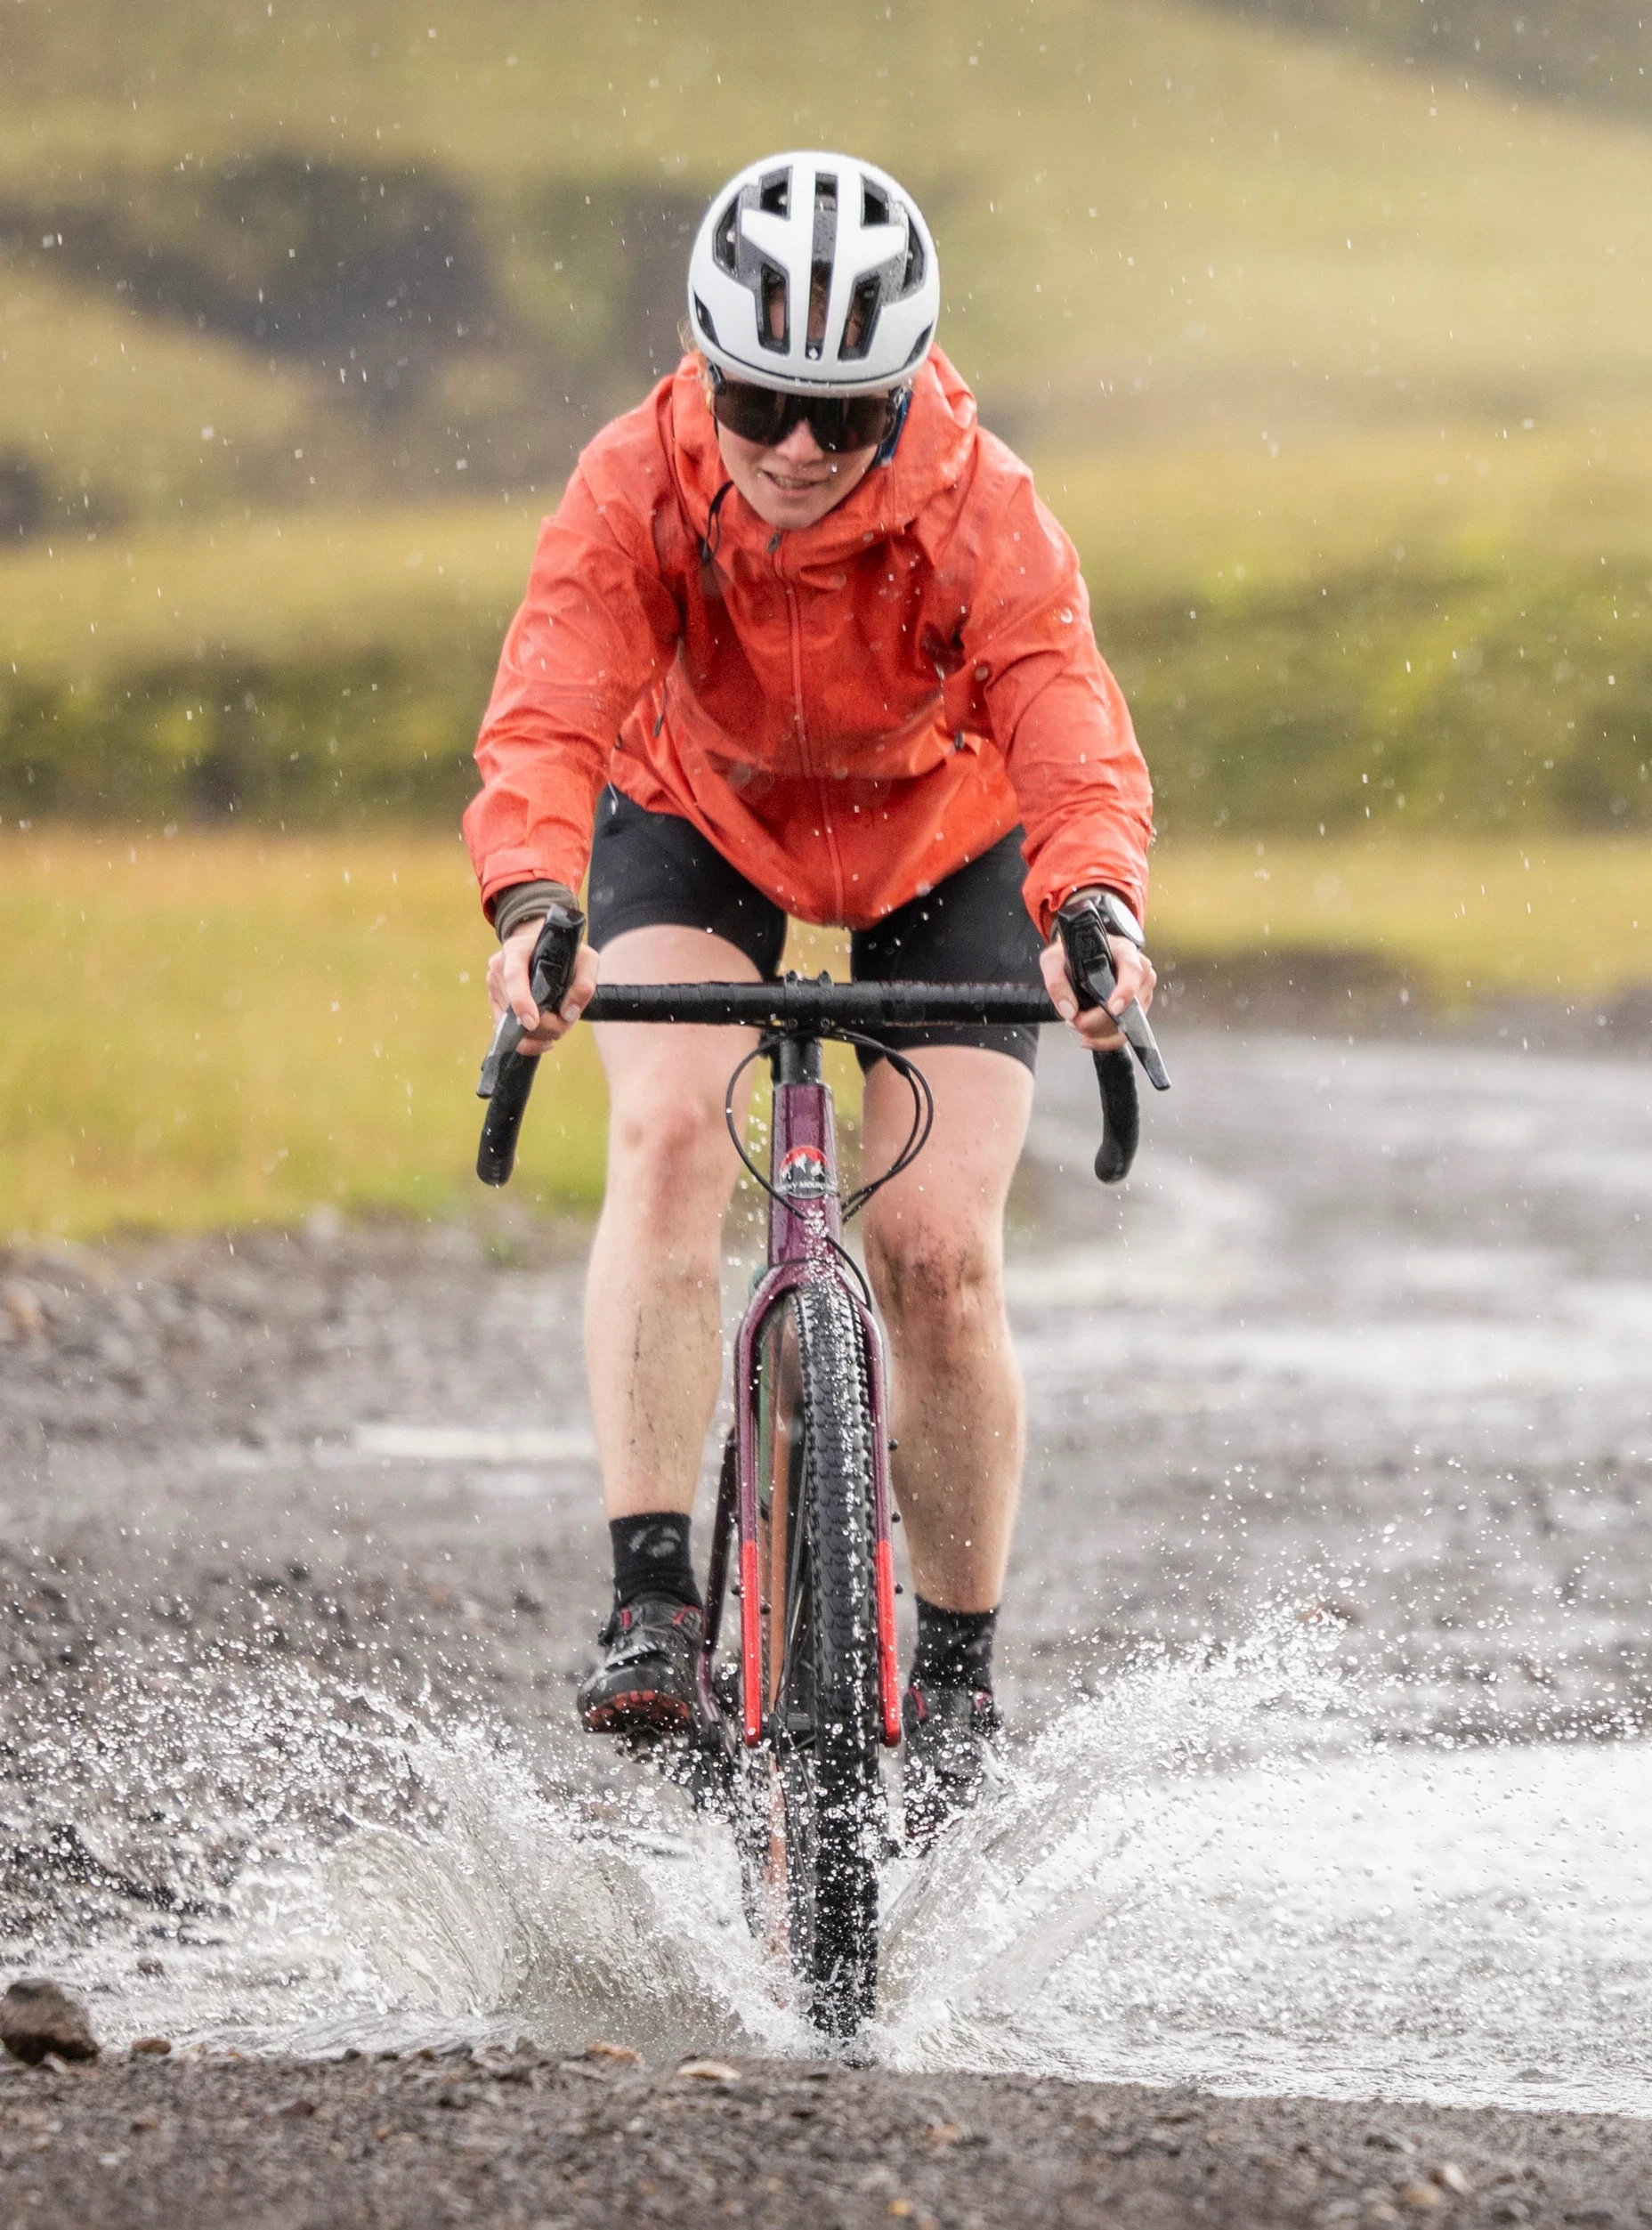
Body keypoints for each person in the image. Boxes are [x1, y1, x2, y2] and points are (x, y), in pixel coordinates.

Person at [464, 150, 1154, 1834]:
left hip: (942, 846)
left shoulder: (987, 505)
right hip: (694, 825)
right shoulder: (630, 483)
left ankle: (964, 1673)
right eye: (763, 397)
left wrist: (1097, 908)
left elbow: (1064, 724)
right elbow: (552, 711)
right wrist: (537, 899)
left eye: (841, 417)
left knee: (937, 1253)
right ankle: (653, 1599)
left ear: (906, 397)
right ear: (707, 368)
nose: (794, 446)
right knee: (668, 1142)